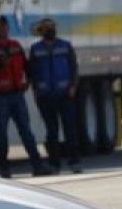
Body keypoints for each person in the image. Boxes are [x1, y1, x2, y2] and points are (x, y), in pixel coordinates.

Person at [0, 16, 52, 179]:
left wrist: (29, 81)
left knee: (26, 130)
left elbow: (27, 66)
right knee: (1, 132)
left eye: (4, 26)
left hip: (17, 94)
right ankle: (4, 169)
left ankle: (37, 165)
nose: (1, 29)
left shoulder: (16, 46)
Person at [29, 18, 83, 174]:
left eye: (52, 27)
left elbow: (74, 68)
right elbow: (32, 72)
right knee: (52, 132)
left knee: (70, 130)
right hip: (46, 96)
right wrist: (36, 90)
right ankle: (55, 163)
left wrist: (73, 86)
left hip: (65, 94)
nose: (51, 30)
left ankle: (74, 161)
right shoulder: (36, 49)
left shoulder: (65, 46)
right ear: (42, 31)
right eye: (47, 28)